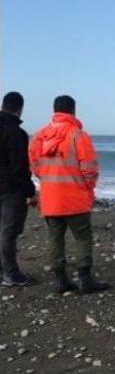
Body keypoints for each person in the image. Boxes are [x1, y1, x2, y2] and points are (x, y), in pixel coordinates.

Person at [29, 95, 108, 294]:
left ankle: (60, 280)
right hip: (75, 199)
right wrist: (88, 189)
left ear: (54, 110)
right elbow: (89, 169)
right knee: (82, 237)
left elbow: (35, 167)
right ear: (73, 111)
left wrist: (48, 181)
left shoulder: (38, 137)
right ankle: (85, 279)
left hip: (50, 199)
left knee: (55, 238)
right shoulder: (78, 135)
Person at [0, 91, 38, 286]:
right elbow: (20, 167)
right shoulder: (16, 133)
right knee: (9, 231)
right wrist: (31, 192)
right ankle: (11, 274)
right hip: (10, 190)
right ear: (19, 109)